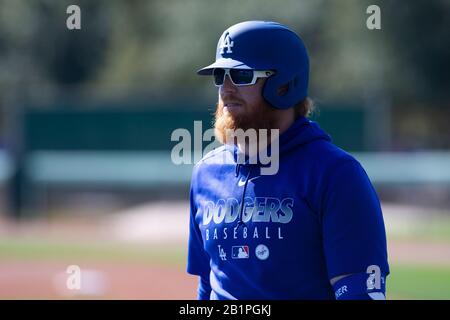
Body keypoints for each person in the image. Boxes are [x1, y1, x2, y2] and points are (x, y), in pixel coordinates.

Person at [187, 20, 389, 300]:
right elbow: (207, 286)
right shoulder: (205, 174)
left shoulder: (335, 174)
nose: (226, 88)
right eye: (220, 75)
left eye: (241, 75)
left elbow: (359, 292)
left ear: (284, 86)